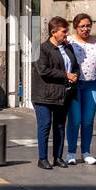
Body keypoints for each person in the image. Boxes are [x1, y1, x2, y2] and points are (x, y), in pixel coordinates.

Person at [33, 17, 80, 169]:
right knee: (45, 125)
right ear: (53, 32)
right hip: (44, 95)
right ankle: (42, 158)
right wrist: (66, 75)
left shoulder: (67, 47)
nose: (67, 34)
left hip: (62, 94)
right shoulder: (42, 49)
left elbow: (75, 65)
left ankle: (58, 157)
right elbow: (43, 71)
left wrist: (75, 75)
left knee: (60, 126)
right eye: (64, 31)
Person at [65, 13, 96, 165]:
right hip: (75, 84)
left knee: (88, 120)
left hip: (92, 84)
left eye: (88, 25)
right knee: (75, 119)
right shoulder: (69, 41)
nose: (86, 29)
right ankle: (71, 153)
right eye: (82, 26)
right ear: (75, 27)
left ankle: (86, 152)